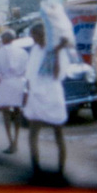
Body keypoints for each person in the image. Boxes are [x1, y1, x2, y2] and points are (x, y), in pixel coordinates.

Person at [23, 22, 70, 183]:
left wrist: (56, 52)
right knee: (33, 134)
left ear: (42, 35)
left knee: (59, 134)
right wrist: (27, 94)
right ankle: (36, 168)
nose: (32, 38)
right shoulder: (35, 50)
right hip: (36, 95)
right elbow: (29, 75)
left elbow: (57, 74)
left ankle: (60, 171)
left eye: (34, 35)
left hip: (52, 95)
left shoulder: (58, 50)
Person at [0, 29, 28, 154]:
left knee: (6, 114)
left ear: (4, 40)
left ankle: (11, 142)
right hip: (19, 83)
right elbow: (26, 71)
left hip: (5, 83)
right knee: (18, 112)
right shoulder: (22, 52)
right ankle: (16, 141)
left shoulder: (0, 52)